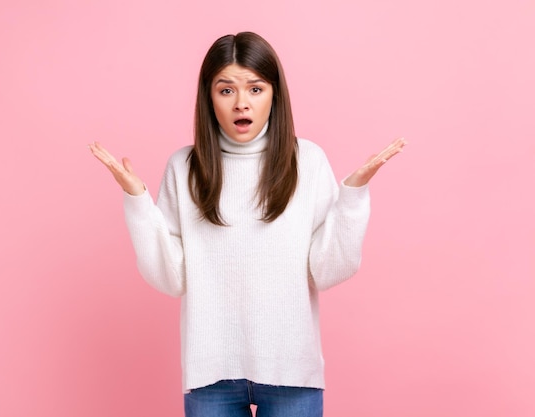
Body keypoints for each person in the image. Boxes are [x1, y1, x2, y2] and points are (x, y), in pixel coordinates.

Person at [89, 32, 406, 417]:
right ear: (209, 97)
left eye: (255, 88)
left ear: (275, 94)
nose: (242, 102)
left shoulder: (307, 161)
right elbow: (171, 279)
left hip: (292, 371)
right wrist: (138, 201)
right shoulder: (185, 168)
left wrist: (353, 196)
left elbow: (327, 271)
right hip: (211, 373)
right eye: (226, 90)